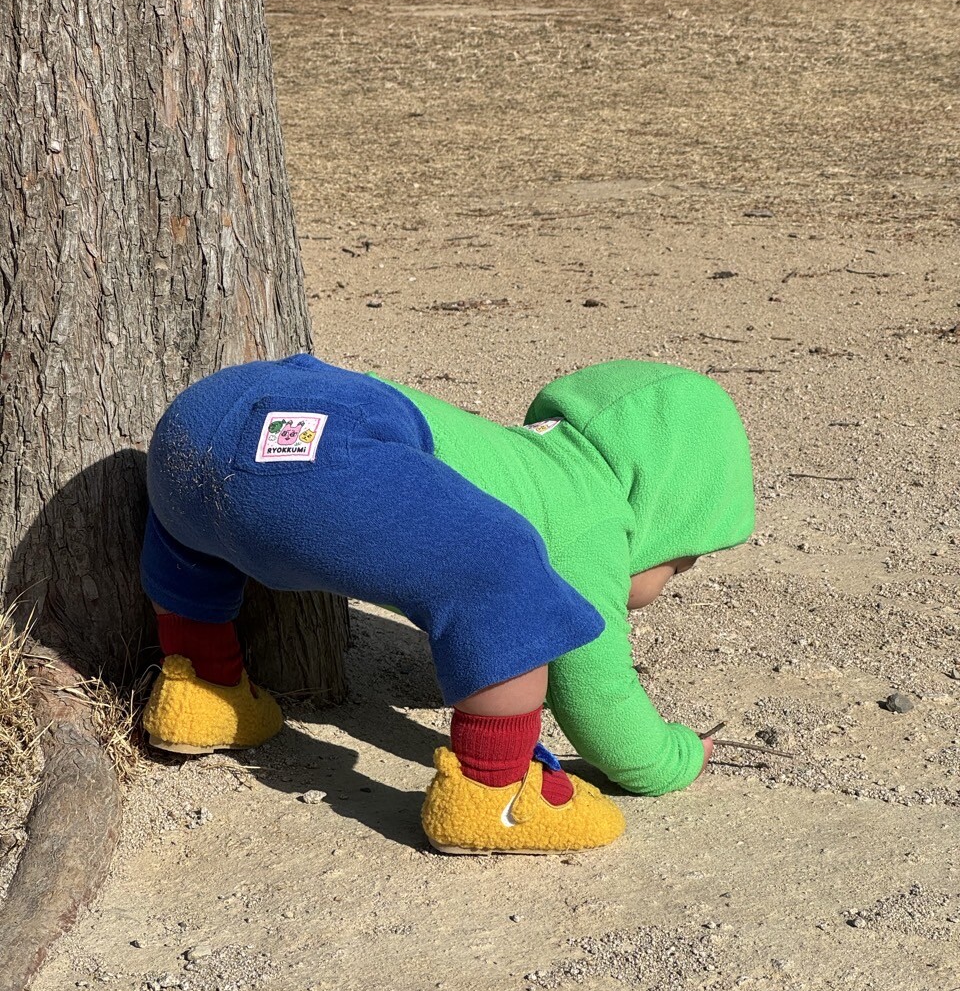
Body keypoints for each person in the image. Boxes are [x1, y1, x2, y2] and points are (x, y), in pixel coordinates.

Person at [141, 356, 754, 855]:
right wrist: (671, 759)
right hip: (321, 452)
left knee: (191, 551)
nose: (675, 576)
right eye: (680, 562)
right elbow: (598, 697)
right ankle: (494, 793)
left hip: (202, 424)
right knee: (508, 577)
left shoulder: (514, 457)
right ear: (661, 510)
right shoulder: (589, 516)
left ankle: (202, 690)